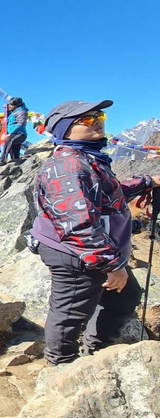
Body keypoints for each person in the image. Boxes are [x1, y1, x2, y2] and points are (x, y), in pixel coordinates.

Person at [29, 100, 160, 366]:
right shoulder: (68, 166)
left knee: (126, 296)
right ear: (65, 129)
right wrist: (112, 265)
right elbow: (78, 224)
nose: (98, 121)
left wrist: (147, 182)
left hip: (94, 251)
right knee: (69, 315)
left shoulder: (87, 159)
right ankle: (60, 367)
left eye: (99, 116)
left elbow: (106, 194)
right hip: (76, 253)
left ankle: (95, 351)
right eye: (87, 120)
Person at [0, 97, 28, 165]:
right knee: (14, 151)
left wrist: (11, 133)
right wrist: (5, 109)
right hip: (12, 133)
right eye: (9, 104)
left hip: (19, 133)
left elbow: (21, 123)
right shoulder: (13, 112)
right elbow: (7, 116)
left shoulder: (21, 111)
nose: (10, 106)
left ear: (17, 105)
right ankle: (16, 162)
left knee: (8, 140)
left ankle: (2, 158)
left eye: (12, 105)